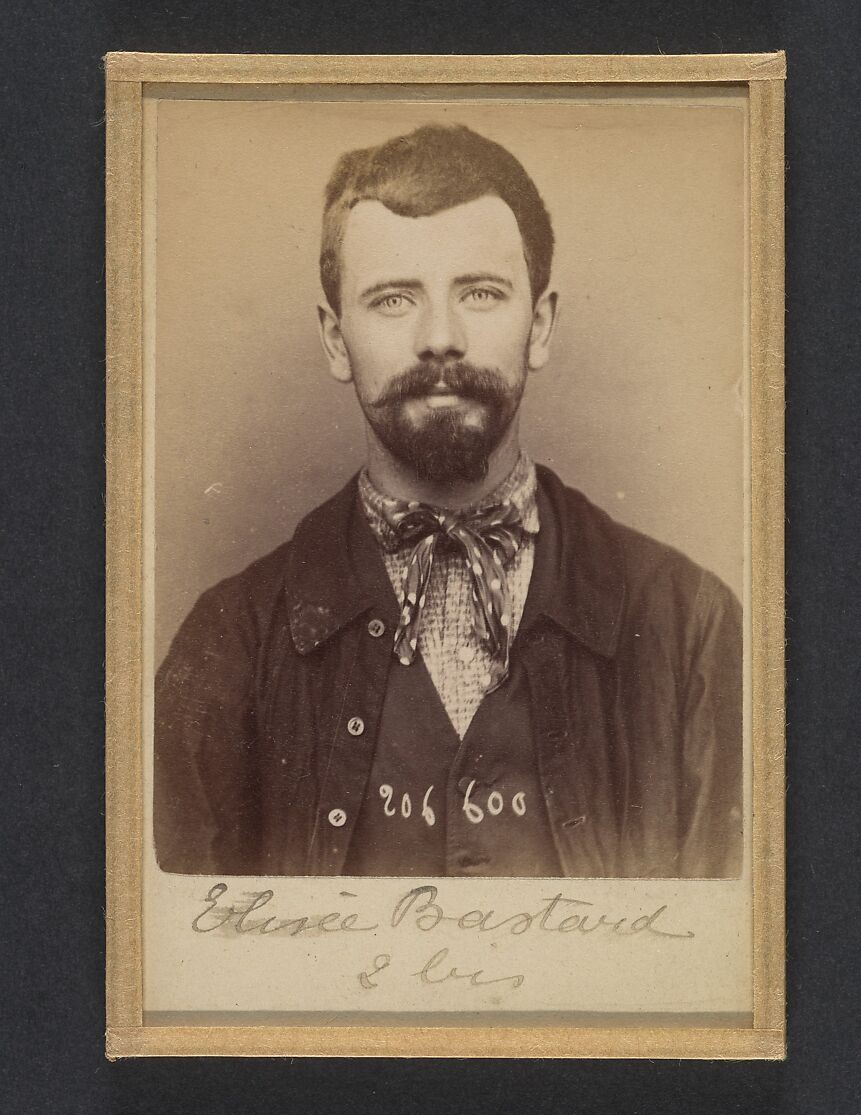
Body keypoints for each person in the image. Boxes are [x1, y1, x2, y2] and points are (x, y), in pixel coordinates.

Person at [154, 123, 742, 879]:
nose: (440, 337)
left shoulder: (691, 628)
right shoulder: (225, 645)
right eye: (394, 299)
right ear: (336, 339)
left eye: (481, 293)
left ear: (540, 325)